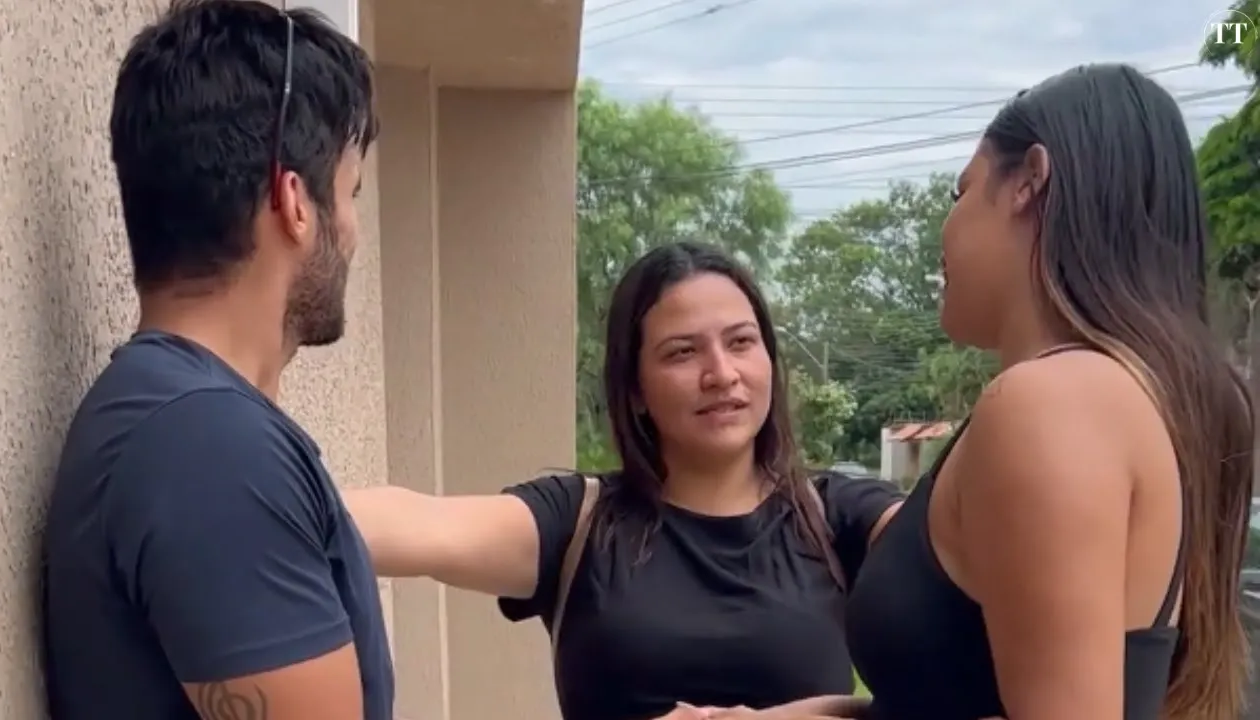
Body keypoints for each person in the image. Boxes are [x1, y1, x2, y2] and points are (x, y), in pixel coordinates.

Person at [843, 63, 1255, 720]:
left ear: (1028, 182)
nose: (945, 228)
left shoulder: (1049, 403)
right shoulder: (1119, 398)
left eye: (959, 192)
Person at [344, 241, 904, 720]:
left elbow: (951, 562)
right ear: (634, 388)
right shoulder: (577, 522)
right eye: (682, 352)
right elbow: (409, 522)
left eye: (740, 342)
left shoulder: (839, 516)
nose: (721, 373)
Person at [41, 2, 390, 719]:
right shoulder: (209, 447)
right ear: (295, 202)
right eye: (350, 193)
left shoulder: (184, 425)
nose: (353, 231)